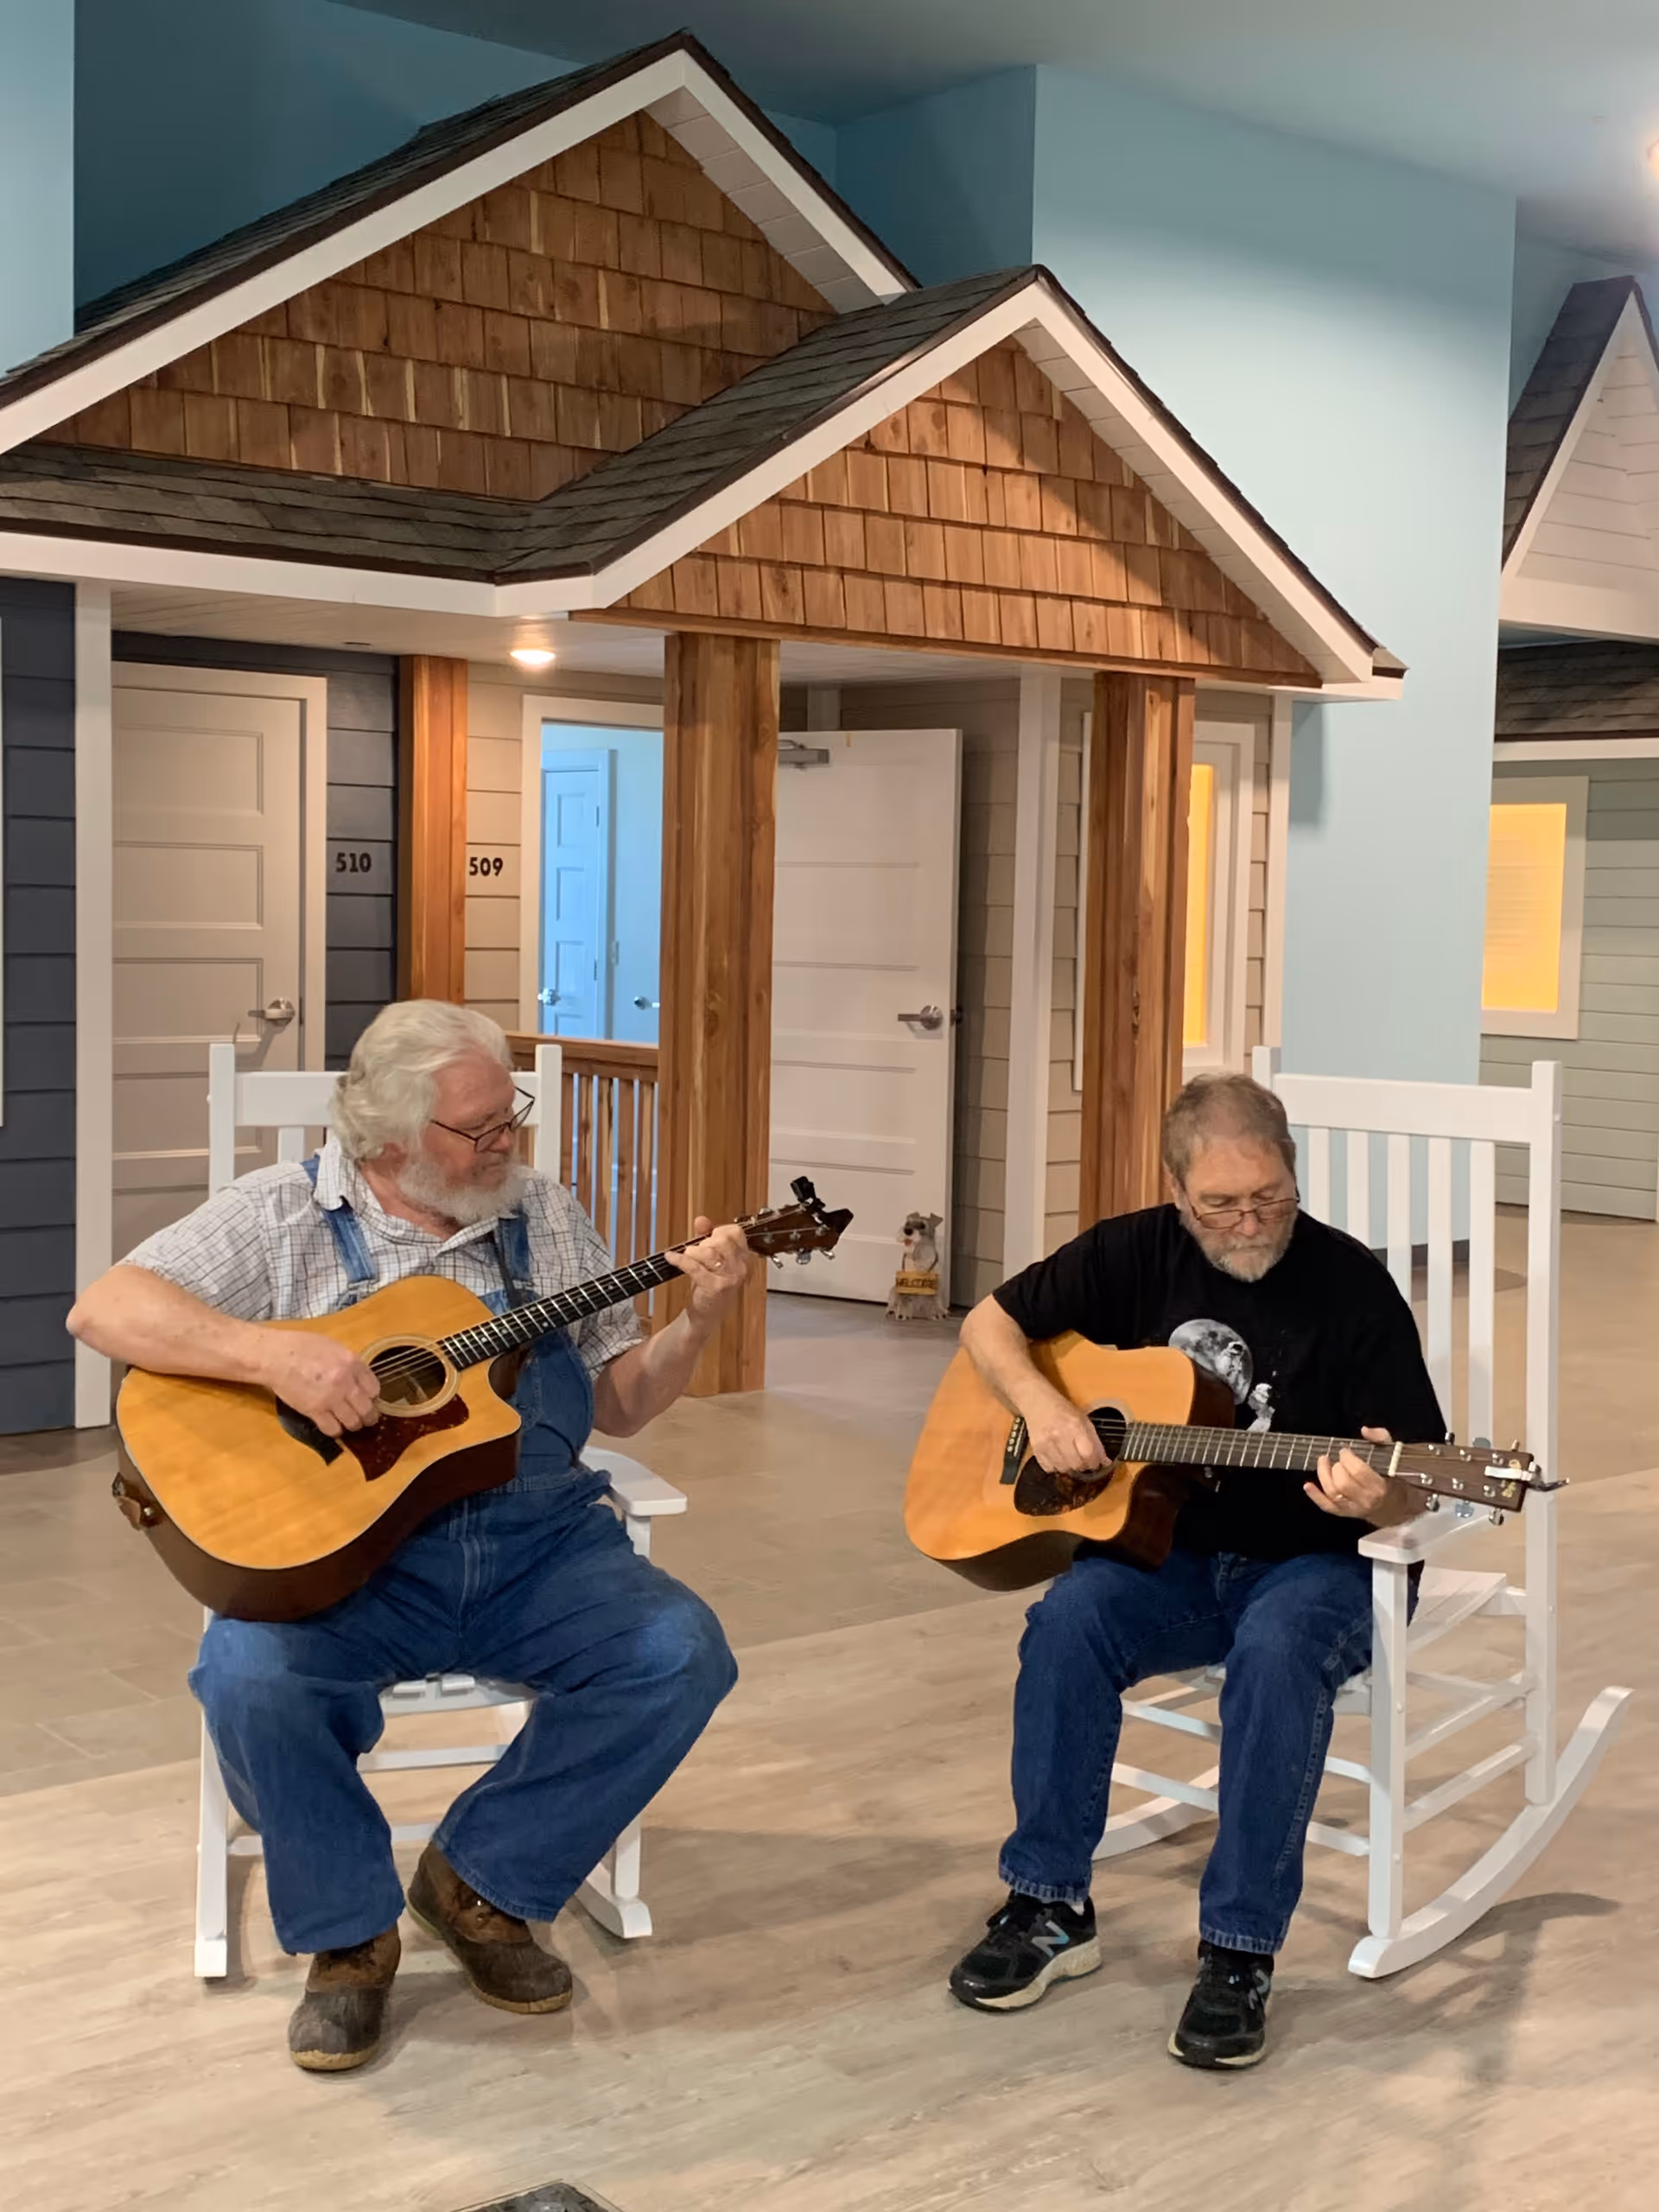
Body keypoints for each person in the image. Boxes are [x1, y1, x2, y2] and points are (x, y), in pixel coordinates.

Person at [69, 1001, 746, 2075]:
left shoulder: (546, 1213)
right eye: (476, 1131)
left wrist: (700, 1319)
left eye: (508, 1119)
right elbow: (104, 1308)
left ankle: (478, 1882)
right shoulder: (283, 1214)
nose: (505, 1146)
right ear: (386, 1139)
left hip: (538, 1545)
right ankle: (347, 1936)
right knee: (249, 1676)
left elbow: (618, 1405)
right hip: (355, 1563)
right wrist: (272, 1358)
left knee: (678, 1652)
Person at [944, 1071, 1444, 2069]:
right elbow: (987, 1325)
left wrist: (1376, 1495)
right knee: (1068, 1620)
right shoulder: (1134, 1250)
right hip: (1165, 1552)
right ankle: (1048, 1904)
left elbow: (1418, 1481)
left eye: (1271, 1197)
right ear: (1178, 1192)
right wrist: (1048, 1412)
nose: (1249, 1220)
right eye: (1222, 1203)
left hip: (1315, 1566)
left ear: (1293, 1177)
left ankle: (1238, 1951)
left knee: (1274, 1651)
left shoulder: (1352, 1285)